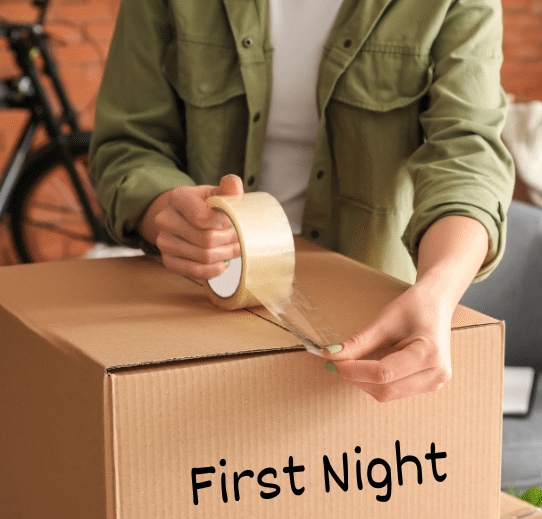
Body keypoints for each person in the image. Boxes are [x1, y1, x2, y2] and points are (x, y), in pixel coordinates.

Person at [89, 0, 514, 402]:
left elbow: (467, 154)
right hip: (202, 298)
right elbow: (128, 144)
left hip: (370, 313)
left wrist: (437, 292)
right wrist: (167, 213)